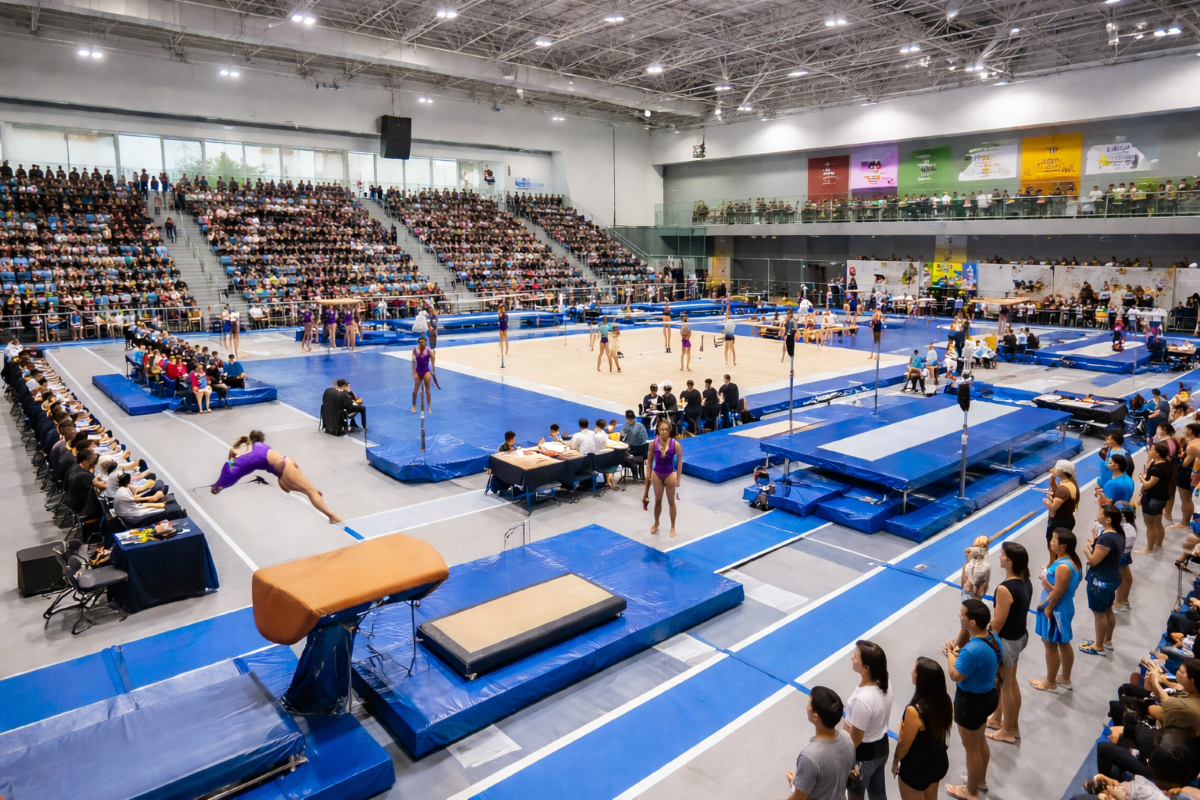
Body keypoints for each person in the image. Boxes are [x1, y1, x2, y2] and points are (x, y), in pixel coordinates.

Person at [211, 430, 342, 524]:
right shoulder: (261, 447)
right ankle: (315, 496)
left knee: (310, 492)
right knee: (311, 491)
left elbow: (232, 464)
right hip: (287, 464)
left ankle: (332, 516)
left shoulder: (247, 452)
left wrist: (220, 484)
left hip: (286, 471)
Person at [944, 599, 1001, 800]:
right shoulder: (993, 638)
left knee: (972, 748)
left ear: (972, 622)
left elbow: (955, 675)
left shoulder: (971, 650)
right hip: (989, 695)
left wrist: (950, 655)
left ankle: (971, 791)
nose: (959, 616)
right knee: (980, 740)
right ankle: (980, 780)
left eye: (962, 614)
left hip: (970, 702)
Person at [984, 543, 1032, 745]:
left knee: (1006, 685)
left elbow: (998, 623)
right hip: (1020, 636)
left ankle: (1008, 730)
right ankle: (999, 720)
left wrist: (986, 640)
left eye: (1002, 555)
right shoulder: (1025, 580)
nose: (1000, 557)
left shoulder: (1004, 589)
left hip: (1008, 642)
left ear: (1010, 561)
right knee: (1010, 682)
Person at [1029, 528, 1083, 693]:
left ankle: (1050, 683)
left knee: (1050, 645)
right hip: (1063, 607)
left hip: (1055, 609)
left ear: (1063, 546)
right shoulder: (1071, 562)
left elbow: (1057, 592)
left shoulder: (1063, 567)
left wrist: (1048, 607)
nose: (1050, 542)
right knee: (1063, 643)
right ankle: (1065, 678)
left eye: (1053, 540)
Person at [892, 657, 952, 800]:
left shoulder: (914, 711)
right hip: (939, 762)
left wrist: (895, 760)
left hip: (917, 770)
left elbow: (904, 746)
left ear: (923, 680)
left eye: (914, 671)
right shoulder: (945, 701)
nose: (911, 672)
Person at [783, 686, 856, 800]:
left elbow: (798, 798)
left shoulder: (809, 758)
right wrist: (799, 781)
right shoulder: (847, 739)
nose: (807, 706)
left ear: (815, 716)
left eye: (809, 704)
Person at [844, 641, 893, 800]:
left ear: (866, 668)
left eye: (856, 656)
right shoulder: (885, 684)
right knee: (878, 792)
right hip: (881, 745)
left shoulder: (863, 700)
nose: (852, 658)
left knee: (855, 793)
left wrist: (843, 758)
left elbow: (856, 739)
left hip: (864, 754)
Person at [1080, 504, 1129, 657]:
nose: (1097, 515)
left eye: (1100, 514)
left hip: (1100, 580)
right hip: (1112, 577)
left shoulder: (1106, 539)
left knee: (1099, 614)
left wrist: (1088, 552)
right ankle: (1106, 641)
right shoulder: (1118, 535)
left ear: (1108, 520)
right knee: (1107, 609)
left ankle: (1098, 647)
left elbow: (1094, 561)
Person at [642, 418, 682, 537]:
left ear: (669, 430)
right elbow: (649, 461)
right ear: (658, 430)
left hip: (670, 474)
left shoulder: (675, 444)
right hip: (657, 474)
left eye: (666, 430)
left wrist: (678, 478)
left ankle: (673, 526)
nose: (664, 432)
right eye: (661, 429)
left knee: (671, 502)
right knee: (657, 501)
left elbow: (680, 461)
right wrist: (648, 475)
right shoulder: (653, 443)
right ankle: (656, 523)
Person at [113, 471, 186, 525]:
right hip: (134, 516)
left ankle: (180, 514)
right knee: (169, 508)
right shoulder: (124, 493)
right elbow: (146, 499)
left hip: (132, 511)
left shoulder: (122, 490)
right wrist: (156, 499)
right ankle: (181, 516)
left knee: (164, 503)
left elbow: (137, 498)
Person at [1137, 441, 1172, 555]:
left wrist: (1141, 477)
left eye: (1152, 450)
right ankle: (1158, 544)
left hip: (1153, 499)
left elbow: (1148, 484)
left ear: (1157, 453)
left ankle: (1149, 549)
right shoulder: (1166, 463)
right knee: (1158, 523)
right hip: (1161, 498)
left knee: (1150, 525)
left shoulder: (1157, 469)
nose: (1149, 451)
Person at [1043, 459, 1078, 555]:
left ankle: (1053, 562)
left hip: (1060, 521)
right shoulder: (1071, 483)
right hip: (1066, 518)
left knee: (1054, 546)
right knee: (1060, 547)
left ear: (1061, 471)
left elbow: (1053, 507)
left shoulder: (1063, 489)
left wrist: (1046, 501)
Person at [960, 536, 990, 600]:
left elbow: (963, 586)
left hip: (967, 598)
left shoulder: (967, 566)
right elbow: (983, 591)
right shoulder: (986, 566)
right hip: (974, 599)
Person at [411, 336, 435, 414]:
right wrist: (414, 373)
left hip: (426, 371)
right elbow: (413, 362)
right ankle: (414, 405)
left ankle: (429, 407)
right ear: (418, 343)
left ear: (425, 343)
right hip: (418, 372)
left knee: (428, 391)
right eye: (421, 343)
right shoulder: (415, 350)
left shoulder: (428, 350)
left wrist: (433, 371)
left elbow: (433, 360)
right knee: (415, 391)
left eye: (423, 343)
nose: (422, 344)